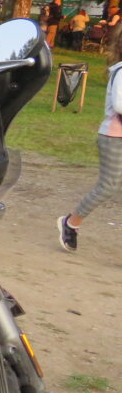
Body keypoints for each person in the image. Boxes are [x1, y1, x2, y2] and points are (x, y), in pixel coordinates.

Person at [58, 61, 122, 253]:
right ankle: (71, 222)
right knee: (108, 186)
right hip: (114, 137)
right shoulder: (120, 71)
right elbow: (119, 105)